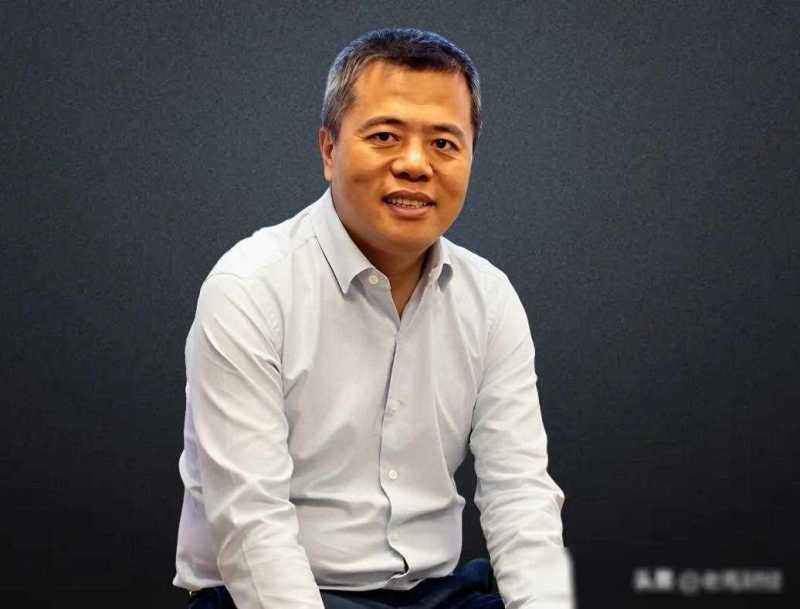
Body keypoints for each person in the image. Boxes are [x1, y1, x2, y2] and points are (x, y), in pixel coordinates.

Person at [173, 28, 572, 609]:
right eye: (385, 136)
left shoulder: (490, 298)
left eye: (444, 143)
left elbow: (520, 494)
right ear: (329, 149)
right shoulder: (249, 288)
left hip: (435, 595)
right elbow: (250, 522)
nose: (415, 164)